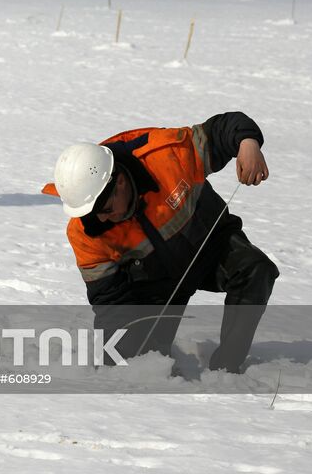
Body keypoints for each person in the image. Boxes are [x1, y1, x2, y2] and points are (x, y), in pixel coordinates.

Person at [47, 112, 279, 373]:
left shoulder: (165, 155)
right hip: (155, 285)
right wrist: (118, 352)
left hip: (209, 246)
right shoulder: (85, 233)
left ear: (119, 181)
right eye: (92, 212)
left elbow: (224, 128)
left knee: (256, 270)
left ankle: (228, 367)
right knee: (132, 367)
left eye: (106, 207)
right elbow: (110, 300)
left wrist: (247, 142)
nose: (102, 217)